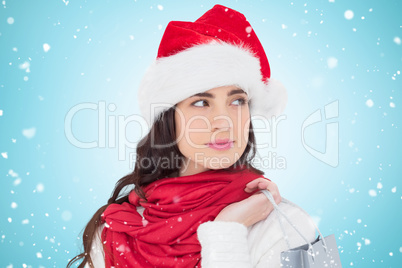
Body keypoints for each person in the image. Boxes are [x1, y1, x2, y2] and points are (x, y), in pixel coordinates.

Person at [67, 4, 316, 268]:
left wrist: (226, 232)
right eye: (200, 103)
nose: (224, 123)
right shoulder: (117, 229)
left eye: (237, 101)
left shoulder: (292, 225)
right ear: (169, 118)